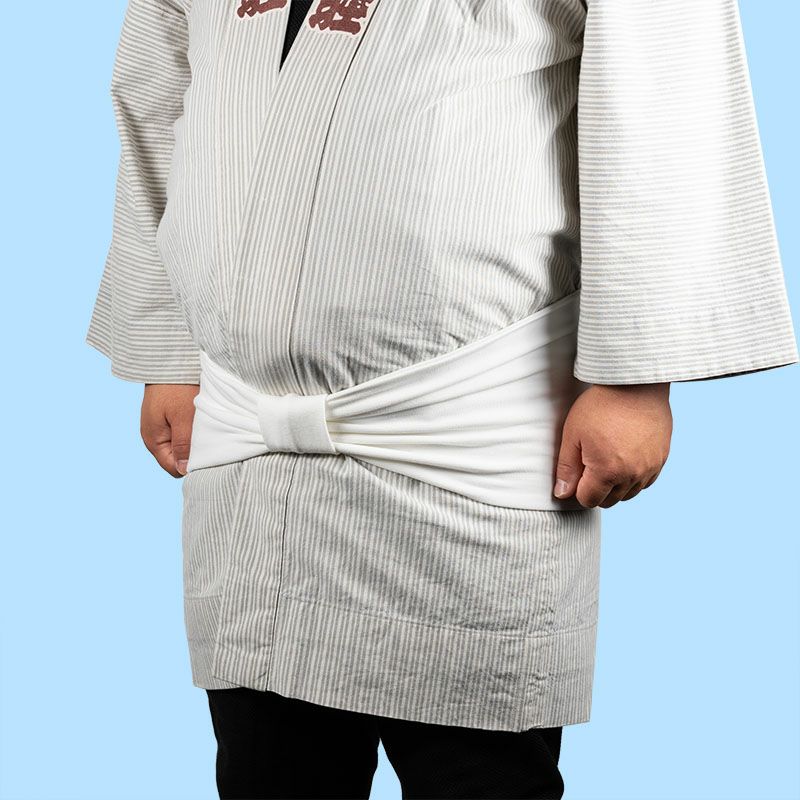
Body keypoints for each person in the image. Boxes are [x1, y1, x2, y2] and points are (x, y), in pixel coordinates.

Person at [85, 1, 798, 797]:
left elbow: (669, 74)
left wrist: (634, 372)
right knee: (266, 759)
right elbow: (159, 88)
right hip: (248, 435)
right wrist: (168, 345)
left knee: (477, 767)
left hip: (470, 424)